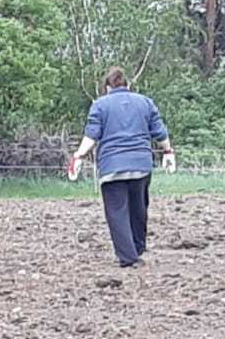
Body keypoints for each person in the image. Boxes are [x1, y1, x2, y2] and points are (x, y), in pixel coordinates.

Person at [69, 67, 175, 268]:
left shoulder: (100, 105)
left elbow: (91, 136)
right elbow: (159, 132)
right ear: (127, 85)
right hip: (141, 165)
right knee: (138, 209)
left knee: (117, 212)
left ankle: (128, 257)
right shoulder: (145, 102)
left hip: (112, 167)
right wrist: (168, 151)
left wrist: (78, 156)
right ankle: (137, 247)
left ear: (107, 87)